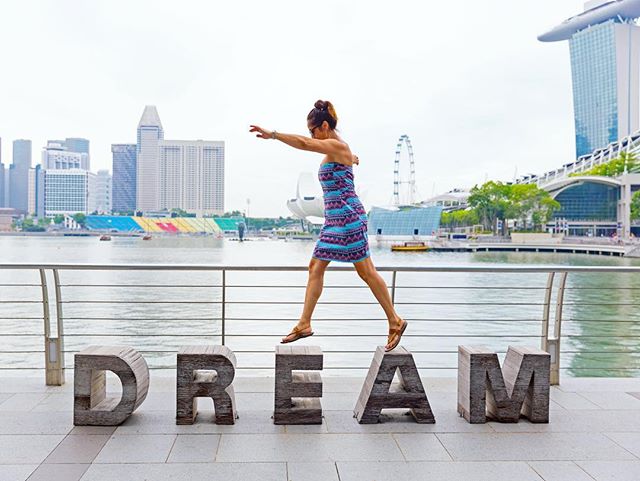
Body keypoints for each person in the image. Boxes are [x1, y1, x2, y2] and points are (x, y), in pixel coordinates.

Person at [249, 100, 407, 351]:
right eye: (311, 132)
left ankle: (395, 321)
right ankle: (304, 323)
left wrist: (274, 135)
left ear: (325, 126)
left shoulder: (334, 145)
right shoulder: (337, 150)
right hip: (335, 219)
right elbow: (342, 158)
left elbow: (305, 143)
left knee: (366, 272)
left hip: (348, 217)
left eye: (314, 130)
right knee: (315, 266)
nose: (312, 135)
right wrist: (352, 159)